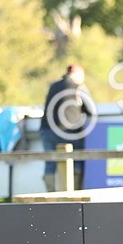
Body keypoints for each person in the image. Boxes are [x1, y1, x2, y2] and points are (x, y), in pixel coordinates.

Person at [40, 64, 93, 192]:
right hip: (69, 132)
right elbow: (91, 109)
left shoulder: (53, 85)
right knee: (77, 159)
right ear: (78, 75)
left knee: (50, 162)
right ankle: (74, 194)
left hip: (46, 129)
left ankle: (50, 195)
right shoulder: (79, 87)